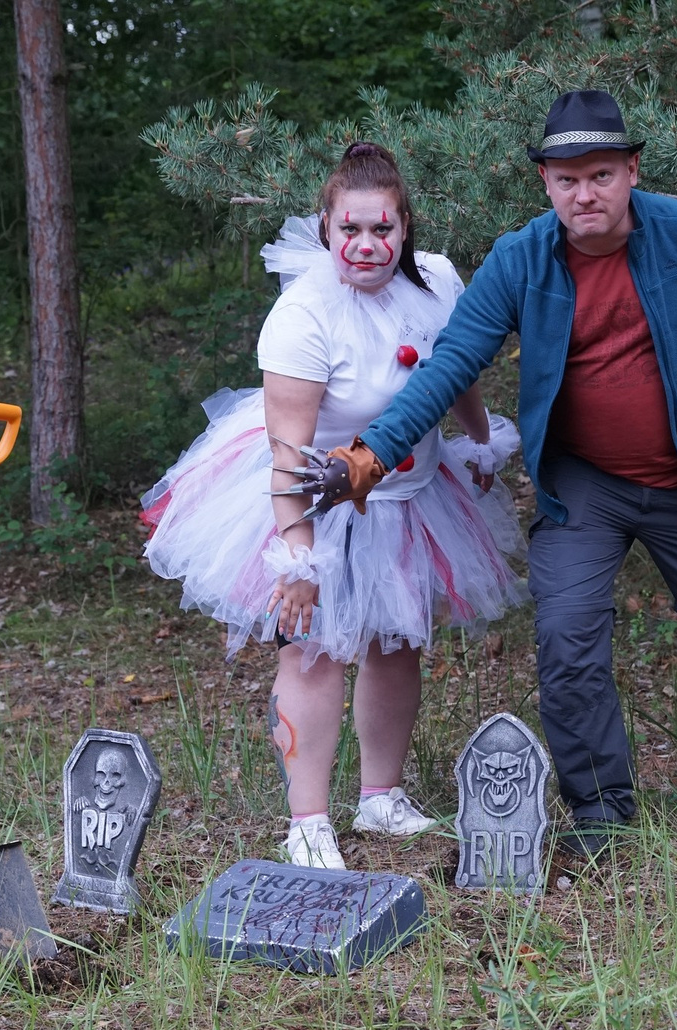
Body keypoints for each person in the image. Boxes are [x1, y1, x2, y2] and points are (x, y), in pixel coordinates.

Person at [293, 90, 677, 859]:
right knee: (568, 643)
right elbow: (449, 365)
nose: (585, 194)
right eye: (567, 179)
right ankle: (601, 816)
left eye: (601, 175)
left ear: (632, 171)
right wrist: (369, 455)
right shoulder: (522, 259)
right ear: (545, 182)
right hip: (582, 487)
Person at [140, 143, 525, 870]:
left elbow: (457, 369)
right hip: (318, 498)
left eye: (382, 229)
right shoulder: (304, 315)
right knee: (312, 650)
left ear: (404, 228)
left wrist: (479, 443)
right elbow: (288, 454)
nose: (366, 244)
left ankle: (380, 795)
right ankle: (308, 821)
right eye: (350, 229)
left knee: (396, 642)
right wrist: (299, 560)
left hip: (411, 495)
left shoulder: (437, 281)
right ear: (327, 228)